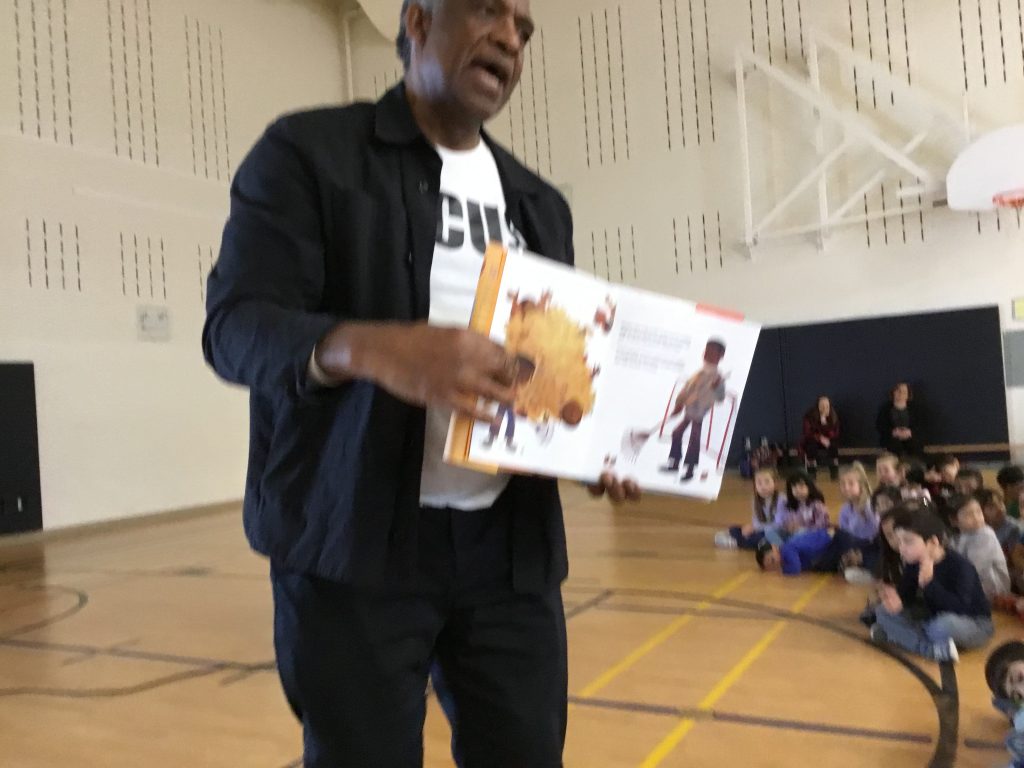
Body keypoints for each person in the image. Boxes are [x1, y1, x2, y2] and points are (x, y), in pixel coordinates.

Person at [201, 1, 640, 765]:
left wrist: (590, 447)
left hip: (509, 553)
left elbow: (548, 371)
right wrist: (378, 350)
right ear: (417, 21)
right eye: (487, 10)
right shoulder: (308, 155)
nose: (510, 37)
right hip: (353, 548)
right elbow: (234, 329)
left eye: (524, 29)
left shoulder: (541, 206)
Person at [871, 508, 994, 662]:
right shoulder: (913, 564)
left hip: (974, 624)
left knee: (940, 627)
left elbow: (960, 608)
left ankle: (900, 635)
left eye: (908, 541)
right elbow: (906, 597)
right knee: (883, 611)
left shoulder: (961, 566)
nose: (902, 548)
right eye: (900, 542)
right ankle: (930, 649)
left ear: (933, 542)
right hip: (933, 616)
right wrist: (895, 598)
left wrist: (929, 584)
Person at [660, 339, 727, 482]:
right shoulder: (700, 373)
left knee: (694, 440)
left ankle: (690, 470)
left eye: (712, 353)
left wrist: (716, 388)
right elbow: (687, 389)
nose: (707, 354)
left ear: (720, 356)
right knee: (677, 433)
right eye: (706, 351)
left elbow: (720, 398)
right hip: (689, 410)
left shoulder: (717, 377)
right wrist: (679, 403)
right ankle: (675, 463)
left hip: (699, 413)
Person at [949, 494, 1011, 599]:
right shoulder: (956, 538)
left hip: (994, 591)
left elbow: (975, 571)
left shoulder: (985, 534)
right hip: (971, 585)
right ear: (954, 520)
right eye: (969, 515)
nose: (976, 518)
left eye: (978, 512)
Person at [715, 467, 784, 550]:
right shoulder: (755, 500)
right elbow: (756, 520)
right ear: (755, 486)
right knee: (734, 529)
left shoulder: (781, 500)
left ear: (775, 483)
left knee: (762, 538)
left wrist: (755, 528)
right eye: (759, 483)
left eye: (767, 482)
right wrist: (751, 528)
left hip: (776, 533)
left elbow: (779, 525)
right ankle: (742, 540)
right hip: (761, 530)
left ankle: (738, 543)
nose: (763, 487)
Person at [876, 382, 922, 458]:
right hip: (891, 438)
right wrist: (893, 432)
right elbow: (880, 425)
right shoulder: (885, 409)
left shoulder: (915, 409)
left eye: (904, 392)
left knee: (915, 445)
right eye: (898, 391)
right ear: (893, 393)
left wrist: (910, 432)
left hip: (910, 437)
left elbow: (920, 425)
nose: (901, 394)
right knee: (894, 445)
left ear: (908, 395)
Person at [800, 396, 840, 480]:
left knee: (833, 446)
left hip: (827, 440)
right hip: (812, 440)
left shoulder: (833, 416)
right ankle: (812, 473)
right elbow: (807, 433)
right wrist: (820, 438)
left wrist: (824, 422)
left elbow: (835, 433)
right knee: (811, 447)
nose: (824, 408)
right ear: (817, 406)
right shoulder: (809, 416)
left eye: (827, 406)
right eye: (822, 406)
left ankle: (834, 473)